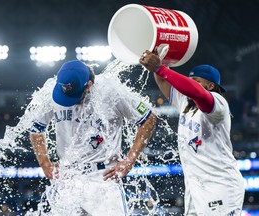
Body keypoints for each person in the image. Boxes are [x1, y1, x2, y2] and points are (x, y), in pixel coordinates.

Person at [29, 60, 156, 215]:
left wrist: (129, 160)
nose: (69, 101)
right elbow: (36, 127)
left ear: (89, 85)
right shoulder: (53, 91)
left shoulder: (112, 91)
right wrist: (45, 163)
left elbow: (148, 118)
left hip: (102, 178)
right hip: (68, 178)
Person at [139, 50, 245, 216]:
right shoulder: (185, 104)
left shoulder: (218, 104)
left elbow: (197, 92)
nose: (191, 84)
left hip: (220, 186)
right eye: (190, 80)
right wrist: (159, 59)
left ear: (211, 86)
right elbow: (161, 80)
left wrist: (161, 68)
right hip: (195, 189)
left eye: (196, 81)